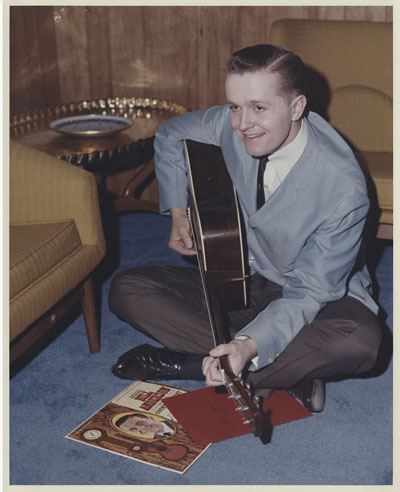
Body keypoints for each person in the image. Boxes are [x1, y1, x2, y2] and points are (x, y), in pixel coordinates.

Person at [108, 44, 382, 412]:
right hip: (245, 278)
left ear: (297, 107)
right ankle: (288, 371)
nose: (241, 124)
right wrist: (179, 212)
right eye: (234, 106)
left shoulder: (343, 187)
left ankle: (186, 364)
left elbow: (310, 293)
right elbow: (170, 135)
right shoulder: (232, 124)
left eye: (258, 108)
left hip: (317, 296)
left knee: (361, 341)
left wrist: (249, 344)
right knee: (128, 290)